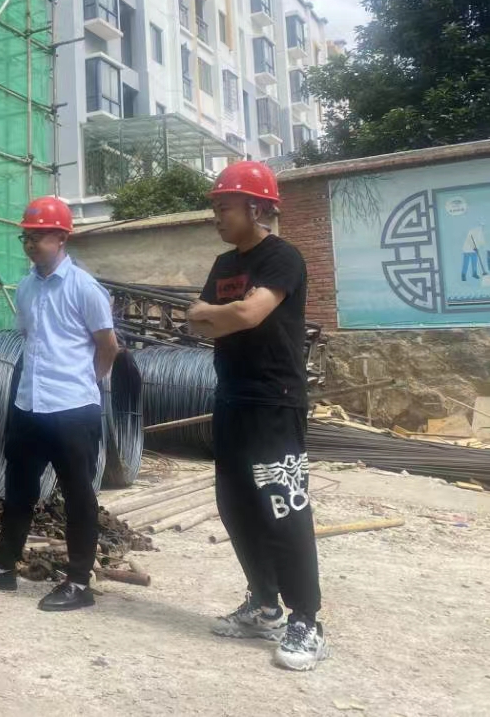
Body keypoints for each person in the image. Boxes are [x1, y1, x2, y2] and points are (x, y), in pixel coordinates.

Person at [186, 160, 328, 671]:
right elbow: (196, 322)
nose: (217, 217)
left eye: (224, 207)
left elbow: (248, 314)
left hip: (275, 400)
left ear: (255, 207)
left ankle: (306, 620)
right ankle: (265, 605)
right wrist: (223, 315)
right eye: (215, 208)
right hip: (231, 398)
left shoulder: (282, 258)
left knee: (284, 508)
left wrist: (221, 315)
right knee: (238, 506)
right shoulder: (225, 265)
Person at [0, 196, 119, 612]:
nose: (30, 244)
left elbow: (108, 347)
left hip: (72, 410)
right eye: (26, 237)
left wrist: (84, 383)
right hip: (28, 407)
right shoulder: (26, 287)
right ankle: (2, 570)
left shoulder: (85, 288)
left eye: (39, 236)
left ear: (62, 238)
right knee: (19, 492)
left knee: (78, 497)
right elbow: (30, 340)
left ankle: (79, 583)